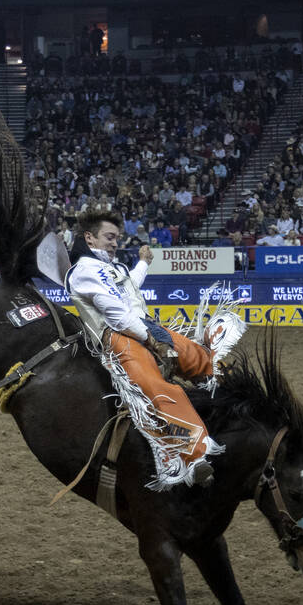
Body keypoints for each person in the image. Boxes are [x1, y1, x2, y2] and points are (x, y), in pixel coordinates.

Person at [65, 209, 241, 491]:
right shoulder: (84, 271)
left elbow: (129, 288)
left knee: (196, 356)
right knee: (152, 386)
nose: (115, 242)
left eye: (117, 238)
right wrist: (150, 339)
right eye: (109, 237)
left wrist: (143, 263)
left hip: (143, 326)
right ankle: (191, 454)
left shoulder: (112, 268)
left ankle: (227, 397)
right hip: (118, 337)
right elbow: (115, 314)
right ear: (90, 238)